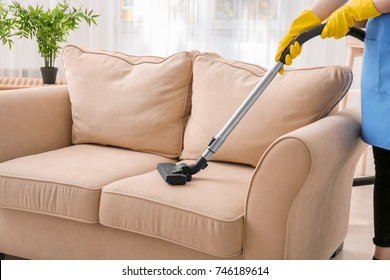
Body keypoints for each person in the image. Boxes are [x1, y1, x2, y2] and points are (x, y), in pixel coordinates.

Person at [275, 0, 390, 260]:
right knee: (387, 163)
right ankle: (384, 257)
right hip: (385, 52)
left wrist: (356, 9)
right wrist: (306, 22)